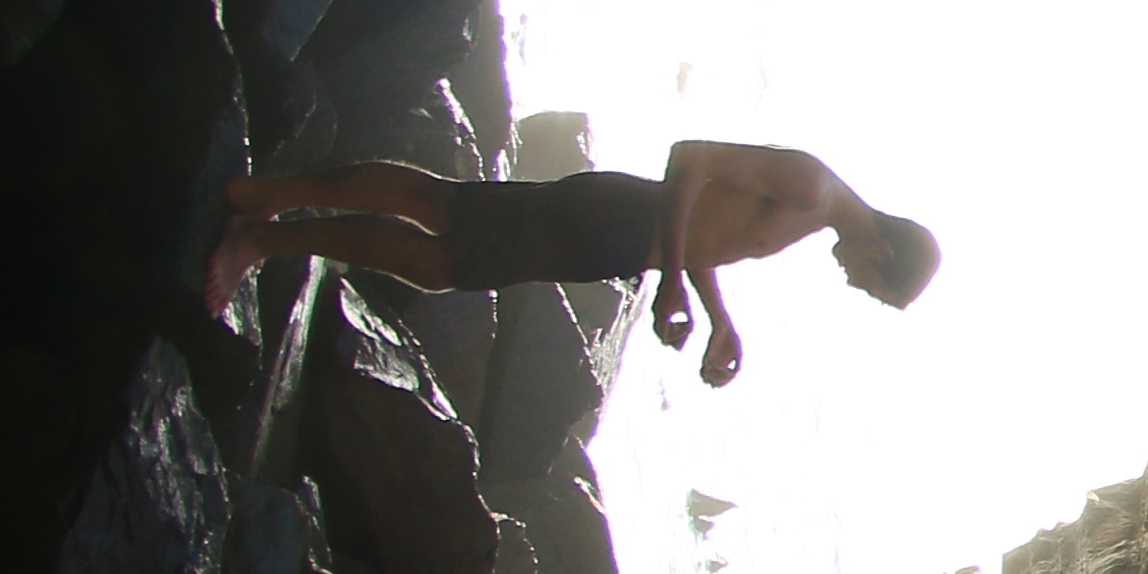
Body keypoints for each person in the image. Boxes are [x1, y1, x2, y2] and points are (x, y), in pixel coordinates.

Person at [205, 138, 940, 386]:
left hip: (617, 242)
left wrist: (718, 319)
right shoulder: (813, 188)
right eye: (872, 288)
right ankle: (264, 222)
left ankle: (270, 221)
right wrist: (674, 283)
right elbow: (691, 161)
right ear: (884, 252)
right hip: (614, 217)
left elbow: (707, 231)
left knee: (440, 255)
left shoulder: (816, 218)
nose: (856, 286)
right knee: (443, 215)